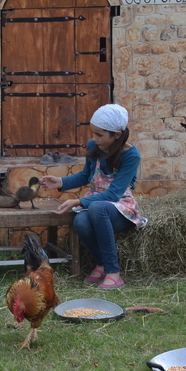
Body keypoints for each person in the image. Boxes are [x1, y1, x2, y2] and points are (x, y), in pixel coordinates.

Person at [39, 104, 145, 289]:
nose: (94, 139)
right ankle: (101, 263)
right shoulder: (94, 146)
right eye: (93, 133)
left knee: (97, 207)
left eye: (100, 135)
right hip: (96, 203)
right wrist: (60, 182)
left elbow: (113, 194)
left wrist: (79, 200)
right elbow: (85, 176)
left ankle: (114, 272)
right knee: (80, 220)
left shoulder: (131, 155)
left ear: (117, 135)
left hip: (119, 208)